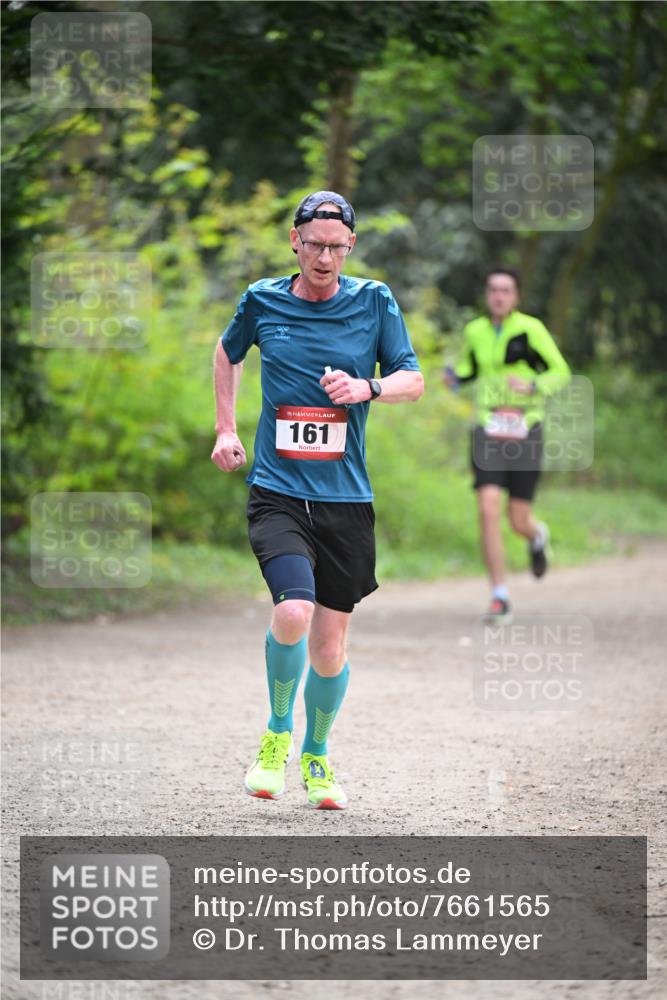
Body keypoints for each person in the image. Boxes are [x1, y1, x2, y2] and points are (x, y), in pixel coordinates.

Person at [211, 191, 423, 809]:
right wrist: (226, 429)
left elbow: (413, 379)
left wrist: (367, 386)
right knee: (294, 612)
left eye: (337, 246)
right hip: (277, 490)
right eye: (314, 244)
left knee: (329, 648)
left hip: (346, 500)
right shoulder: (263, 300)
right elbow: (227, 353)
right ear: (294, 243)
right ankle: (277, 735)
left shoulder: (374, 300)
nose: (325, 257)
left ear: (350, 246)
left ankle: (318, 756)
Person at [443, 268, 570, 622]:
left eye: (506, 290)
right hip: (488, 427)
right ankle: (499, 594)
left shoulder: (531, 330)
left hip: (525, 428)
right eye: (493, 289)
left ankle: (536, 535)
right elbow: (467, 371)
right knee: (487, 508)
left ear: (515, 297)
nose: (499, 296)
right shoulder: (475, 331)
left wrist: (533, 387)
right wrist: (453, 379)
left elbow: (560, 371)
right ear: (487, 294)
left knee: (518, 520)